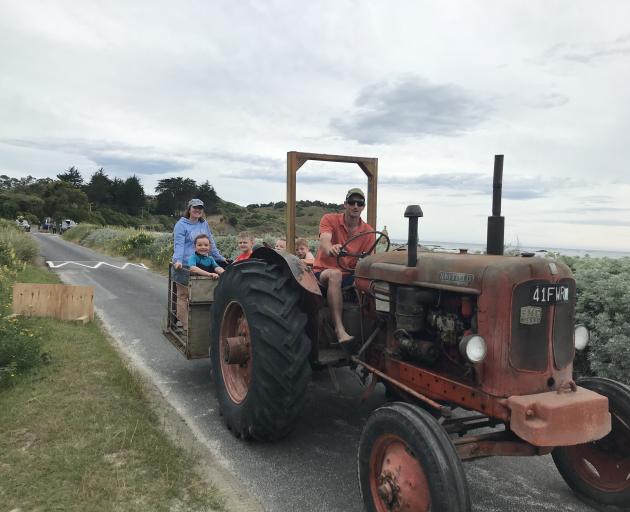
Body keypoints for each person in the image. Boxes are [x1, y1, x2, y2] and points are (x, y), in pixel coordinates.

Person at [313, 188, 375, 351]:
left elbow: (369, 259)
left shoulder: (368, 231)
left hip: (350, 275)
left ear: (363, 207)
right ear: (345, 204)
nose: (355, 206)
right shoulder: (329, 219)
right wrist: (331, 248)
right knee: (335, 274)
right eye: (352, 202)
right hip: (324, 271)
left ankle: (373, 332)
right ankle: (339, 330)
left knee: (375, 284)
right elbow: (324, 240)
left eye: (359, 203)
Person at [172, 198, 226, 329]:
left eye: (200, 208)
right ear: (189, 209)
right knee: (183, 295)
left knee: (201, 296)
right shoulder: (181, 224)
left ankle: (198, 326)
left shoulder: (204, 224)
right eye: (195, 207)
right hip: (185, 264)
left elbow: (210, 242)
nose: (197, 210)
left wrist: (219, 257)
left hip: (202, 264)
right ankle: (185, 326)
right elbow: (178, 245)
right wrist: (178, 260)